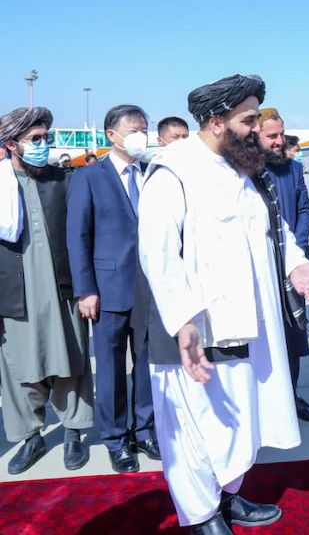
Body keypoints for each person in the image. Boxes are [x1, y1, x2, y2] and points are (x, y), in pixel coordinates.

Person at [138, 74, 309, 534]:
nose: (255, 128)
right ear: (216, 121)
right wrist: (183, 322)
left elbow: (274, 228)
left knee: (239, 421)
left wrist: (296, 265)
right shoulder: (174, 170)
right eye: (248, 119)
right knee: (195, 425)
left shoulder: (243, 169)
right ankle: (201, 516)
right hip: (197, 329)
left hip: (247, 323)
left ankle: (227, 496)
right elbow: (156, 255)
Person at [0, 107, 94, 475]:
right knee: (20, 367)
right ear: (12, 144)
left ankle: (73, 431)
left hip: (62, 288)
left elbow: (84, 236)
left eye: (45, 138)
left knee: (70, 359)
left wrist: (87, 288)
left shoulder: (65, 180)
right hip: (13, 293)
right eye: (35, 139)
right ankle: (31, 436)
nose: (43, 144)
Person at [66, 105, 159, 474]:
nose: (141, 136)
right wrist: (85, 290)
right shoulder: (89, 178)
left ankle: (145, 430)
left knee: (148, 365)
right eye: (133, 130)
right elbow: (78, 238)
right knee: (111, 369)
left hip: (149, 289)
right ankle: (116, 439)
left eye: (144, 129)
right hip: (107, 291)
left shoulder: (151, 173)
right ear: (111, 135)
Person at [259, 107, 309, 423]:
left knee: (293, 337)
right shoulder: (244, 173)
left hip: (293, 266)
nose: (279, 141)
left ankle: (291, 397)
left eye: (281, 134)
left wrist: (295, 249)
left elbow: (304, 210)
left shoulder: (293, 169)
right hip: (261, 269)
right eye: (271, 136)